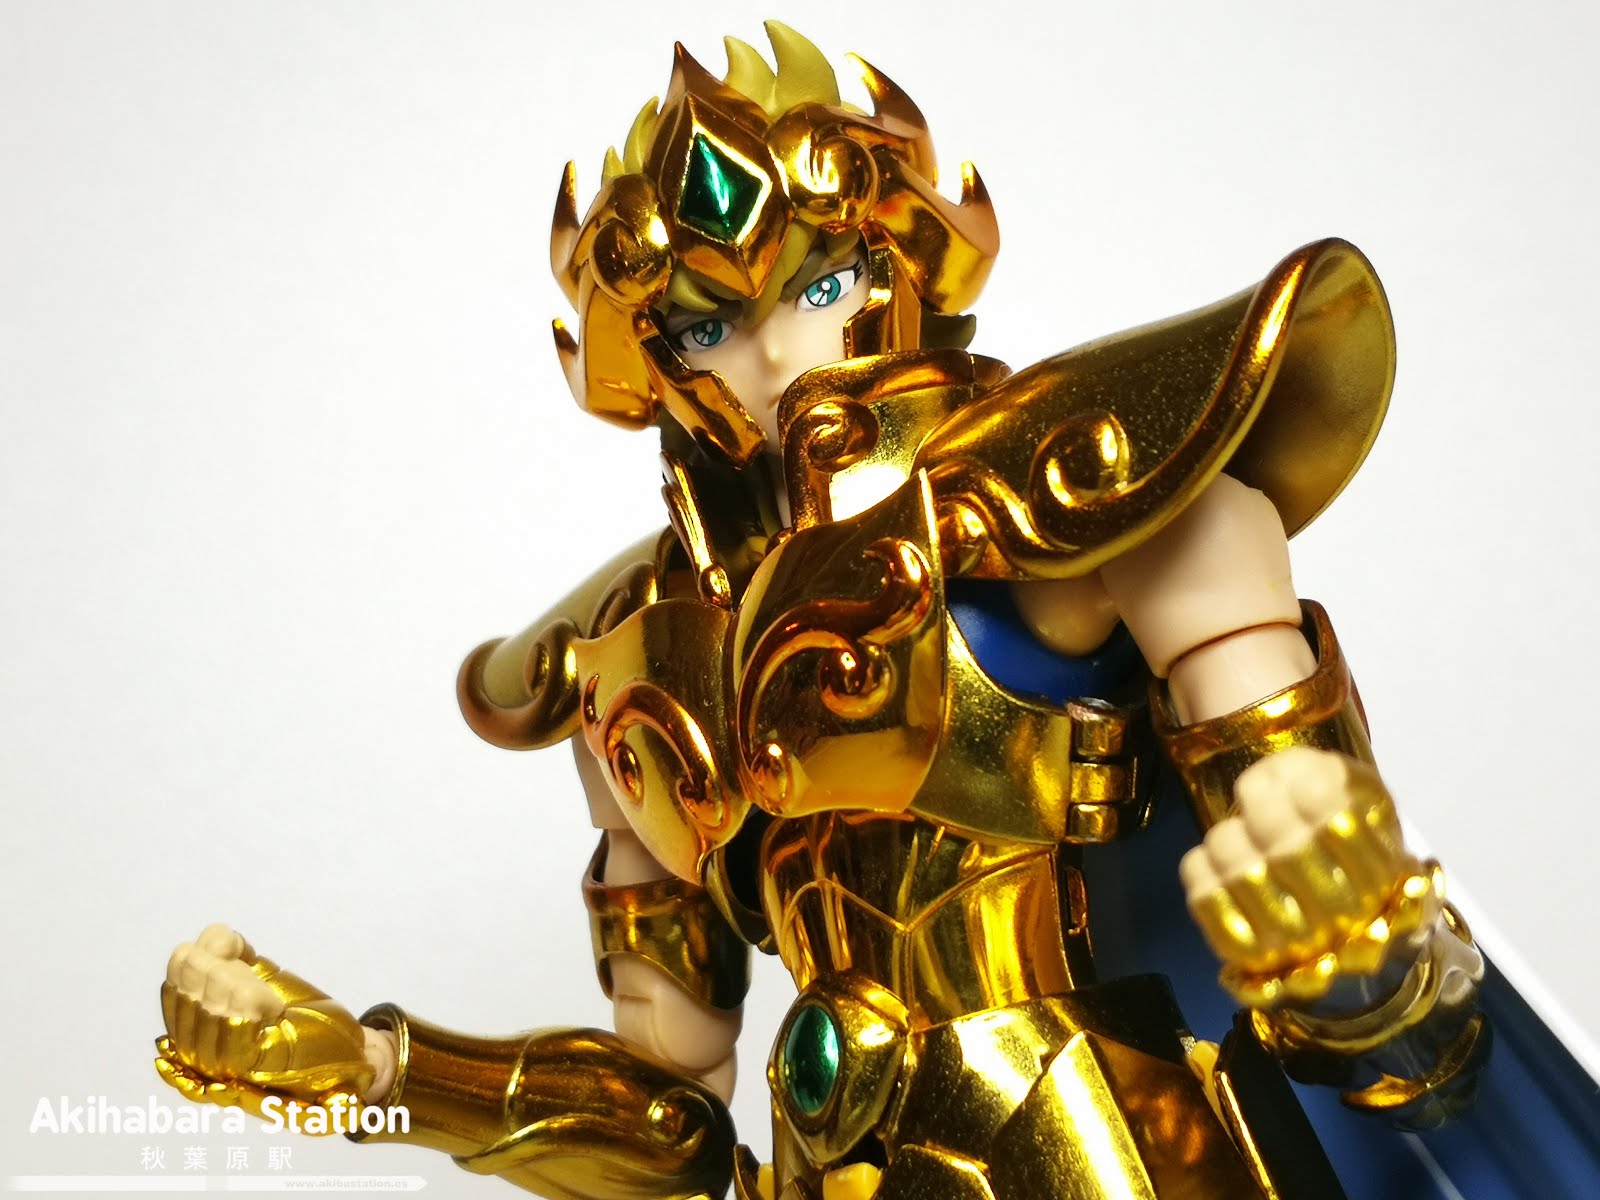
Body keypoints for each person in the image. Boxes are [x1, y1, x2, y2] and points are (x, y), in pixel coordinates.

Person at [155, 24, 1494, 1199]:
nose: (776, 357)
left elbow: (1401, 1030)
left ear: (901, 263)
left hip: (1106, 1143)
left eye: (819, 284)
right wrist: (377, 1075)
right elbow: (673, 1131)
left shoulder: (1097, 505)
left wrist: (1352, 945)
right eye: (704, 329)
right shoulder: (642, 658)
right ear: (652, 364)